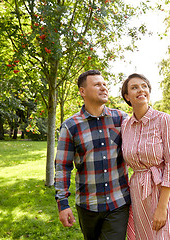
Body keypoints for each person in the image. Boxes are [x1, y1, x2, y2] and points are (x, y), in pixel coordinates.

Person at [54, 70, 131, 240]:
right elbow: (62, 167)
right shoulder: (70, 126)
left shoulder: (121, 119)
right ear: (82, 91)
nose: (103, 88)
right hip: (87, 206)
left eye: (104, 84)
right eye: (97, 84)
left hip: (119, 203)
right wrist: (62, 204)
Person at [121, 73, 170, 239]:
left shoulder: (163, 120)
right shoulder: (125, 125)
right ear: (127, 97)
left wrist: (162, 207)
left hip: (165, 191)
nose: (141, 90)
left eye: (144, 86)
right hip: (139, 193)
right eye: (134, 87)